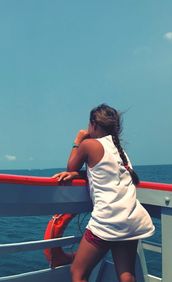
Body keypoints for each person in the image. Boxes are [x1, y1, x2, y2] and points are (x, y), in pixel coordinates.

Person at [52, 104, 154, 282]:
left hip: (109, 221)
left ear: (93, 124)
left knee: (78, 272)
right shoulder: (119, 151)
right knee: (127, 275)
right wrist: (81, 174)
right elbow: (104, 173)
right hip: (132, 219)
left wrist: (78, 139)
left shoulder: (89, 145)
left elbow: (71, 166)